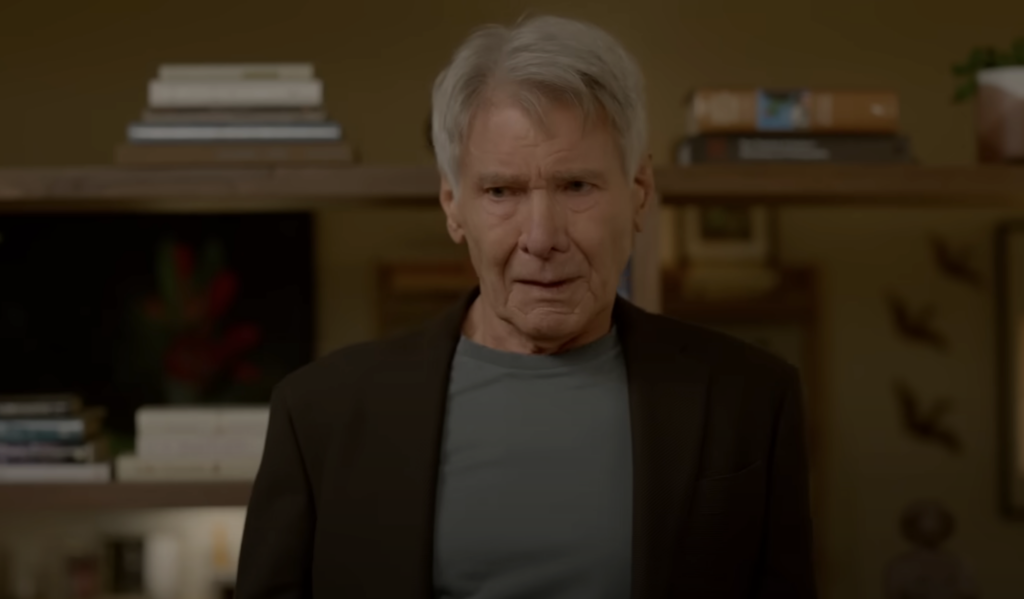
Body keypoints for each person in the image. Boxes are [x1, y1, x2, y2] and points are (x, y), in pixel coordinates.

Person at [237, 14, 817, 599]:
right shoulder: (319, 414)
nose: (542, 237)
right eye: (501, 192)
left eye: (576, 187)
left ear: (639, 194)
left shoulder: (752, 399)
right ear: (452, 205)